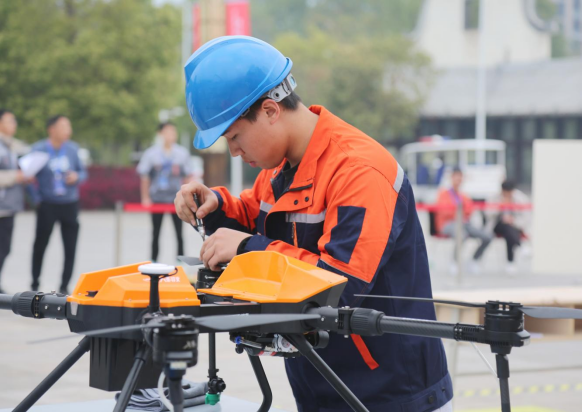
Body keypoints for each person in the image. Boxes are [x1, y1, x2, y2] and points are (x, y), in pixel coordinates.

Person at [174, 36, 452, 412]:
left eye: (235, 136)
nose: (234, 151)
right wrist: (215, 205)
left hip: (392, 395)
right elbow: (253, 219)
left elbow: (338, 286)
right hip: (320, 386)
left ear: (270, 110)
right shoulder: (279, 169)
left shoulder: (360, 171)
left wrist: (245, 248)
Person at [30, 115, 87, 294]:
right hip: (47, 204)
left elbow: (83, 172)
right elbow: (28, 176)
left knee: (70, 246)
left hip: (69, 204)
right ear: (52, 129)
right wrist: (36, 199)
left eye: (69, 126)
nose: (68, 130)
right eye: (63, 126)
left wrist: (77, 177)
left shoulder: (72, 149)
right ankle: (35, 283)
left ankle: (64, 285)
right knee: (40, 244)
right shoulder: (39, 149)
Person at [137, 122, 194, 262]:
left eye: (173, 132)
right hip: (157, 198)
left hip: (176, 198)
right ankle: (153, 260)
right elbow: (145, 177)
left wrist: (187, 198)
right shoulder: (151, 154)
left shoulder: (181, 153)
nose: (171, 135)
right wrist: (145, 197)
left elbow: (188, 176)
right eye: (167, 132)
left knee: (179, 232)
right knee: (156, 231)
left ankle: (180, 260)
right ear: (160, 134)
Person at [0, 109, 31, 294]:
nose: (14, 124)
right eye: (10, 121)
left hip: (6, 206)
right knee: (3, 247)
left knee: (3, 247)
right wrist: (16, 176)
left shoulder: (7, 145)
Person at [435, 167, 492, 274]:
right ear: (452, 177)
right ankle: (454, 262)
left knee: (487, 236)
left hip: (464, 223)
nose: (459, 180)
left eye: (460, 177)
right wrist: (458, 212)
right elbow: (443, 211)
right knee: (461, 235)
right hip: (448, 224)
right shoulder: (443, 194)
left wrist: (459, 212)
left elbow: (469, 210)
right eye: (456, 177)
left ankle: (474, 260)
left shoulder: (463, 195)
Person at [491, 180, 530, 275]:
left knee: (509, 231)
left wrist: (513, 221)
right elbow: (489, 214)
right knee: (506, 227)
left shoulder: (520, 198)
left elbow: (526, 218)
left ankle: (510, 263)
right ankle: (520, 246)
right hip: (497, 225)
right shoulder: (495, 198)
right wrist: (500, 207)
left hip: (514, 226)